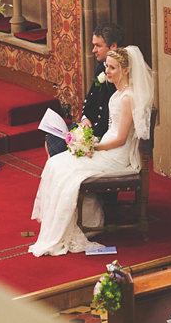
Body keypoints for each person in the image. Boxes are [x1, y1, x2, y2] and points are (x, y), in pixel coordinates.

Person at [29, 45, 153, 257]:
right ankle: (68, 222)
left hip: (117, 156)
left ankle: (77, 224)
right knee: (56, 163)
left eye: (113, 68)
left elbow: (121, 139)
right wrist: (88, 141)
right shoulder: (118, 93)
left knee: (67, 170)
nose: (108, 72)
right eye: (107, 67)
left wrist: (94, 146)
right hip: (106, 146)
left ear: (126, 70)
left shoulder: (127, 98)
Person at [45, 22, 125, 156]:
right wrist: (85, 118)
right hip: (89, 125)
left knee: (57, 153)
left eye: (98, 46)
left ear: (113, 46)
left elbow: (109, 116)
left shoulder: (118, 76)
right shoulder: (102, 66)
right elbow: (90, 98)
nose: (93, 50)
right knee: (51, 140)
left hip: (102, 133)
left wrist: (87, 135)